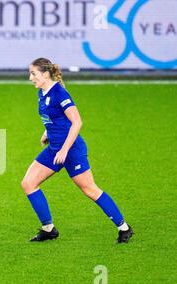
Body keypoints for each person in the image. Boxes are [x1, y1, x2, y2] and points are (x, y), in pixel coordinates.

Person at [21, 57, 134, 243]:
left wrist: (64, 150)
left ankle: (124, 228)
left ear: (45, 74)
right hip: (55, 149)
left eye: (33, 73)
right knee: (28, 183)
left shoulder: (60, 94)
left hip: (71, 150)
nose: (30, 77)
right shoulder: (42, 92)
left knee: (90, 190)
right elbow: (56, 118)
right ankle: (49, 229)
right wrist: (47, 132)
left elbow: (77, 122)